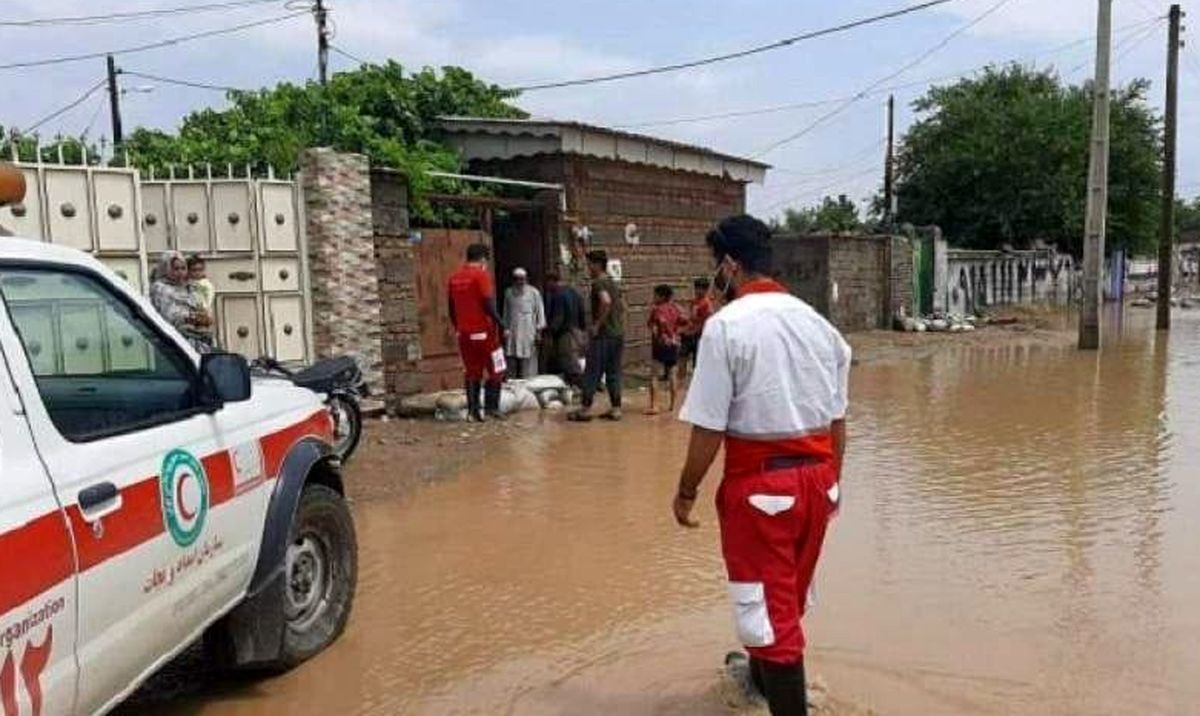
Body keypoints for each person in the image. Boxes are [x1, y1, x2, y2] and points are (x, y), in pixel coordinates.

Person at [672, 215, 850, 716]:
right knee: (780, 599)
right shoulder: (820, 325)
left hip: (761, 486)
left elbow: (708, 426)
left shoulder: (726, 327)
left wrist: (686, 491)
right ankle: (758, 680)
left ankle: (780, 696)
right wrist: (832, 489)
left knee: (769, 610)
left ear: (729, 266)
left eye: (716, 268)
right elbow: (838, 423)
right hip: (818, 480)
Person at [448, 243, 507, 421]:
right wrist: (502, 324)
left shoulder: (454, 278)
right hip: (485, 333)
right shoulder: (481, 276)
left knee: (472, 372)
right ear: (482, 259)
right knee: (498, 368)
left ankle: (473, 411)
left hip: (464, 335)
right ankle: (492, 408)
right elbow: (487, 304)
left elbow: (451, 308)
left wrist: (458, 327)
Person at [568, 249, 625, 422]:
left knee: (592, 371)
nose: (588, 268)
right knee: (613, 372)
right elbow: (623, 305)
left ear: (597, 264)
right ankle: (616, 409)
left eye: (589, 264)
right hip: (617, 335)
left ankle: (585, 409)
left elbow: (605, 301)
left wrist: (596, 325)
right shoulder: (613, 282)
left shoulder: (599, 283)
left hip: (603, 336)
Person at [150, 251, 216, 353]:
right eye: (176, 269)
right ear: (166, 269)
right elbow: (168, 314)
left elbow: (201, 307)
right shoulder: (160, 288)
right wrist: (190, 318)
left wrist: (203, 317)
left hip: (198, 340)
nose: (180, 272)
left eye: (183, 268)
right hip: (174, 341)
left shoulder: (190, 287)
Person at [646, 284, 685, 415]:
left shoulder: (657, 310)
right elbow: (684, 322)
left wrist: (659, 334)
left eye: (655, 295)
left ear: (662, 296)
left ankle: (654, 405)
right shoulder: (676, 308)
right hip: (673, 344)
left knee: (654, 375)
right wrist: (675, 335)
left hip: (660, 345)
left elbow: (651, 326)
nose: (654, 297)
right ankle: (673, 406)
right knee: (672, 374)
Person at [543, 271, 586, 386]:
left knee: (567, 360)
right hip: (575, 329)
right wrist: (582, 327)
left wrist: (550, 332)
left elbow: (559, 316)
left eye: (547, 283)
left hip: (565, 331)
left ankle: (580, 385)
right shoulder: (572, 291)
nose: (546, 286)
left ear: (552, 281)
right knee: (574, 357)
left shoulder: (558, 294)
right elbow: (581, 308)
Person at [503, 267, 546, 378]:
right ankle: (512, 380)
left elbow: (539, 312)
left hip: (529, 330)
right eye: (518, 279)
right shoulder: (508, 292)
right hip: (513, 331)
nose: (520, 282)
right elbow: (506, 313)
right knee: (511, 357)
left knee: (529, 358)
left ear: (526, 279)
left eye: (522, 279)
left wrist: (539, 331)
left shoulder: (534, 292)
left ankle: (530, 380)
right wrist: (505, 328)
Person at [680, 276, 714, 383]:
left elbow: (706, 322)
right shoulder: (694, 302)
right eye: (696, 288)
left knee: (697, 364)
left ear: (705, 290)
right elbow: (691, 318)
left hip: (699, 336)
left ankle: (696, 385)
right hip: (689, 335)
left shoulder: (706, 304)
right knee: (682, 359)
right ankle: (681, 383)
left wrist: (694, 331)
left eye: (700, 288)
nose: (697, 291)